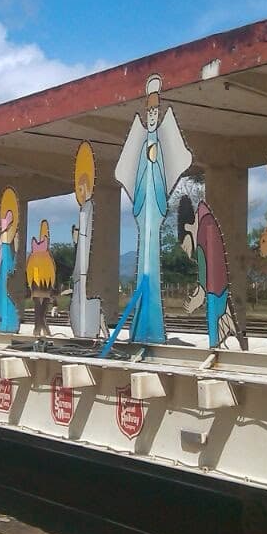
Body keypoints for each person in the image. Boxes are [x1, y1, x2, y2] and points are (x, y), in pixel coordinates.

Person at [108, 74, 192, 350]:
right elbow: (138, 174)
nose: (153, 116)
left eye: (156, 111)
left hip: (154, 208)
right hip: (145, 208)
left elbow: (162, 174)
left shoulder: (159, 144)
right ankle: (142, 323)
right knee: (145, 257)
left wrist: (157, 193)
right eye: (150, 111)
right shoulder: (144, 143)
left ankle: (152, 324)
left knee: (151, 261)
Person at [178, 197, 246, 350]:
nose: (189, 254)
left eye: (186, 247)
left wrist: (196, 300)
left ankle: (219, 340)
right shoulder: (208, 220)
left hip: (217, 293)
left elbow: (205, 273)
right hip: (220, 290)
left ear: (188, 228)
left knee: (218, 322)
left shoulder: (204, 230)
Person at [69, 141, 105, 339]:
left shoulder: (89, 209)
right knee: (78, 294)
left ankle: (90, 327)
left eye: (83, 189)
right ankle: (84, 327)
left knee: (83, 293)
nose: (80, 193)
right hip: (79, 271)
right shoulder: (84, 210)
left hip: (84, 270)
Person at [0, 187, 20, 334]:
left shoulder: (9, 242)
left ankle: (7, 322)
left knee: (6, 294)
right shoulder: (3, 241)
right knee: (0, 296)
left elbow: (12, 252)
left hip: (6, 267)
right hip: (2, 268)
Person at [26, 219, 57, 337]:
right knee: (40, 312)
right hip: (41, 288)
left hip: (40, 288)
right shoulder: (43, 260)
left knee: (39, 312)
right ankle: (42, 331)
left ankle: (40, 331)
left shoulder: (36, 259)